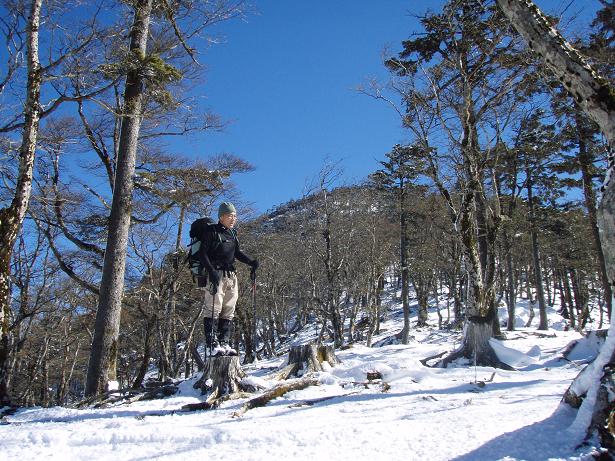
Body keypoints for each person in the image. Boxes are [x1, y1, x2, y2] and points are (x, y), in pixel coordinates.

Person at [199, 202, 258, 356]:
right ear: (221, 216)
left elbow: (236, 252)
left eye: (235, 216)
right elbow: (202, 254)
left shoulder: (232, 234)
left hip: (231, 276)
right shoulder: (211, 231)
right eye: (230, 215)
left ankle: (223, 342)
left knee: (229, 309)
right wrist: (210, 271)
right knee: (213, 308)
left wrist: (250, 262)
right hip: (216, 274)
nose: (233, 218)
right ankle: (212, 345)